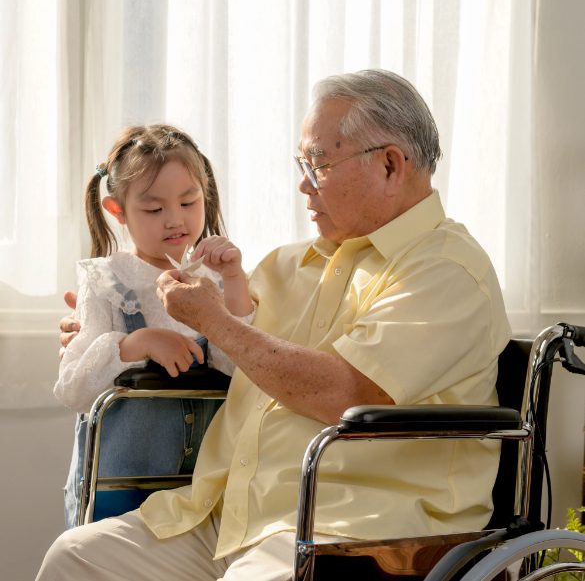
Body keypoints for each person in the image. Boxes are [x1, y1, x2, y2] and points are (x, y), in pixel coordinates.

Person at [38, 69, 510, 581]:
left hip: (346, 529)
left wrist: (215, 322)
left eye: (318, 164)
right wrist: (111, 338)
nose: (303, 184)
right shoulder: (286, 264)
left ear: (391, 164)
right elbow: (214, 345)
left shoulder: (446, 271)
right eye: (301, 164)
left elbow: (346, 394)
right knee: (75, 558)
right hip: (224, 516)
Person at [53, 124, 254, 529]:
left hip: (200, 485)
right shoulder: (106, 280)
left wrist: (234, 282)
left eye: (188, 201)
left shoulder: (214, 279)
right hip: (119, 484)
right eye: (154, 209)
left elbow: (243, 371)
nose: (175, 220)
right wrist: (136, 343)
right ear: (118, 211)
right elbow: (73, 385)